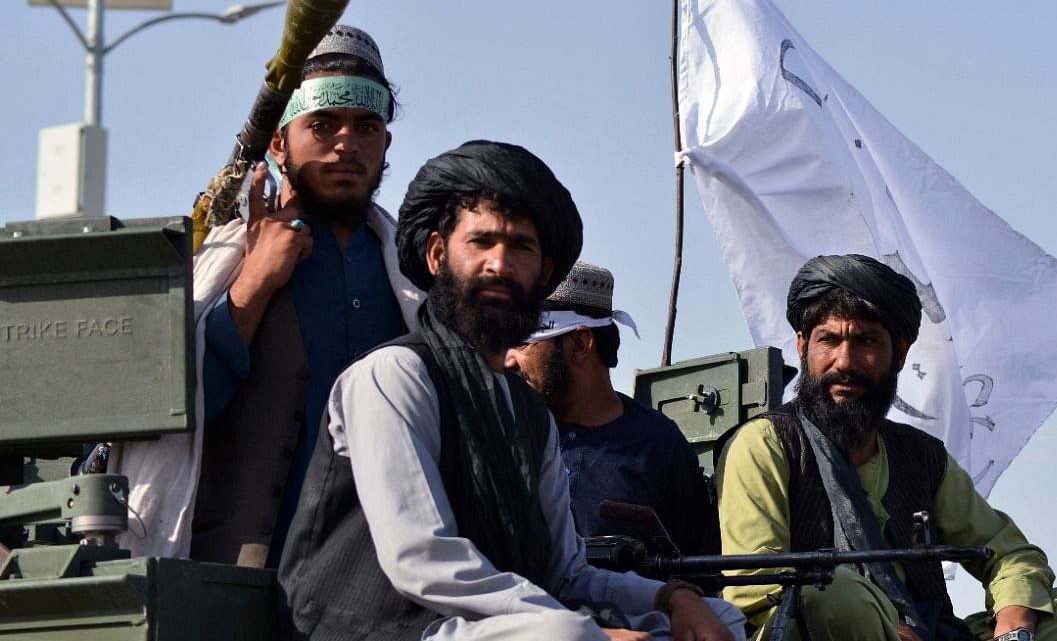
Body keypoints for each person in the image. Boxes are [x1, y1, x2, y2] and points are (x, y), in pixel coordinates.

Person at [278, 141, 745, 640]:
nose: (500, 263)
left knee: (721, 622)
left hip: (493, 626)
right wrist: (591, 629)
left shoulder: (528, 414)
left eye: (520, 247)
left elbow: (566, 572)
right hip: (371, 629)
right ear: (437, 255)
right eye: (481, 242)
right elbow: (421, 559)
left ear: (544, 273)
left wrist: (672, 598)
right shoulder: (394, 375)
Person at [115, 25, 424, 567]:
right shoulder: (227, 259)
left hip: (379, 576)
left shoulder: (412, 275)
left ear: (385, 144)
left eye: (365, 127)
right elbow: (174, 408)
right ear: (279, 143)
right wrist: (254, 282)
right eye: (323, 125)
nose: (346, 143)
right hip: (240, 576)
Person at [716, 254, 1057, 641]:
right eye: (828, 340)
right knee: (826, 593)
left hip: (927, 631)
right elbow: (757, 587)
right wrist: (888, 630)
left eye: (866, 341)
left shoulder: (921, 457)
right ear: (802, 346)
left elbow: (1008, 552)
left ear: (900, 351)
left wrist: (1015, 621)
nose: (844, 361)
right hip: (818, 630)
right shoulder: (765, 445)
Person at [506, 261, 715, 556]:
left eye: (523, 343)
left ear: (579, 343)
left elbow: (692, 573)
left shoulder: (659, 446)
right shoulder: (501, 434)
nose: (508, 360)